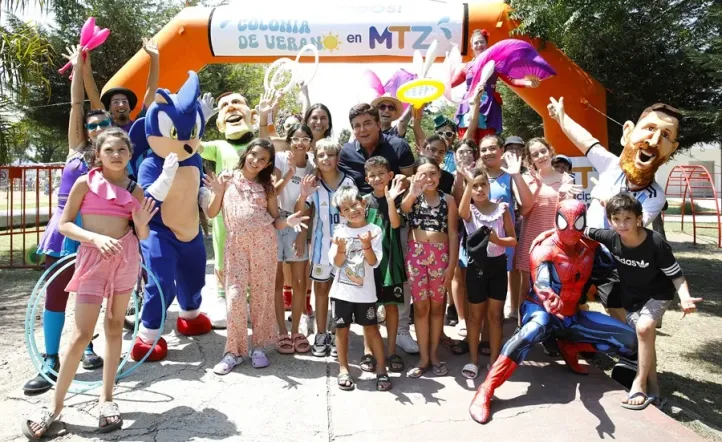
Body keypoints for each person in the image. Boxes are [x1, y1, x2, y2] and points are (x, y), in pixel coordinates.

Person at [21, 128, 157, 438]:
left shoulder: (135, 189)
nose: (116, 155)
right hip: (92, 260)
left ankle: (107, 399)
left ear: (129, 154)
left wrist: (141, 224)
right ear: (98, 154)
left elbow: (143, 235)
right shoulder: (85, 183)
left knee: (114, 327)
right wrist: (94, 238)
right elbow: (65, 224)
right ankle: (55, 407)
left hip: (125, 259)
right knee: (81, 335)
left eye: (122, 150)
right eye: (109, 150)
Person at [469, 200, 638, 424]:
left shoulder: (592, 248)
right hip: (540, 310)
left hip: (571, 316)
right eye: (565, 222)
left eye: (577, 223)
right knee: (533, 329)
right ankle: (487, 388)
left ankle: (571, 346)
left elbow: (619, 258)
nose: (571, 229)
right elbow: (542, 281)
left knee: (630, 340)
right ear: (557, 220)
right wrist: (548, 296)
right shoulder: (545, 248)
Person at [24, 45, 110, 394]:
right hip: (63, 231)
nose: (98, 126)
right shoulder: (77, 148)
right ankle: (50, 359)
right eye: (93, 124)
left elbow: (97, 104)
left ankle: (85, 346)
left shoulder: (113, 155)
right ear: (85, 130)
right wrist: (78, 69)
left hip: (96, 231)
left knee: (89, 296)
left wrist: (88, 72)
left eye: (103, 123)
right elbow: (79, 105)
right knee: (55, 295)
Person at [547, 97, 681, 322]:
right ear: (628, 132)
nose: (654, 140)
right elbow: (585, 141)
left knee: (616, 307)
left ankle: (628, 340)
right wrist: (561, 117)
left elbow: (632, 228)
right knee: (571, 299)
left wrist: (610, 202)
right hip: (581, 249)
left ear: (671, 150)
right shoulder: (611, 165)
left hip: (613, 258)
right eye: (649, 128)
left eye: (665, 135)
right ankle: (578, 333)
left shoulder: (655, 196)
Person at [583, 193, 702, 409]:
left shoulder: (656, 243)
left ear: (639, 219)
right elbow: (579, 229)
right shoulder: (611, 237)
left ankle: (639, 383)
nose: (622, 224)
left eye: (627, 219)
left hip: (659, 295)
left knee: (644, 328)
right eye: (616, 219)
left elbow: (676, 275)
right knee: (644, 337)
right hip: (633, 299)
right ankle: (654, 389)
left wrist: (685, 298)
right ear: (610, 220)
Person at [206, 139, 309, 374]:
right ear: (246, 153)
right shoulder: (227, 178)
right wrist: (218, 192)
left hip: (264, 243)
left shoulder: (267, 186)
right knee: (235, 296)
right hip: (236, 244)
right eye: (254, 155)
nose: (256, 161)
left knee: (262, 296)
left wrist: (288, 221)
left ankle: (259, 347)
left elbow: (275, 220)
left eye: (263, 159)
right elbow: (212, 213)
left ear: (268, 164)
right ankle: (233, 351)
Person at [200, 89, 264, 329]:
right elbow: (191, 144)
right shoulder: (218, 146)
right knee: (222, 254)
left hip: (255, 214)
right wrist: (200, 118)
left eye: (237, 102)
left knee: (253, 257)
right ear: (219, 123)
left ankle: (249, 302)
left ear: (252, 115)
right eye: (224, 105)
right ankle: (222, 298)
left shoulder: (259, 145)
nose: (231, 107)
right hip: (224, 215)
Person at [295, 139, 356, 357]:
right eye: (321, 155)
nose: (326, 159)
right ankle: (320, 334)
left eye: (330, 155)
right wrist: (303, 194)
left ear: (337, 158)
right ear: (316, 159)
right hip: (321, 249)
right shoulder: (313, 184)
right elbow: (300, 211)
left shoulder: (349, 182)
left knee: (343, 293)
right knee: (321, 290)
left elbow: (357, 213)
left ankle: (338, 335)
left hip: (346, 249)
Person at [328, 186, 391, 391]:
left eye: (354, 205)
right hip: (341, 293)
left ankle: (382, 370)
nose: (352, 211)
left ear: (363, 203)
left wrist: (366, 245)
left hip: (366, 294)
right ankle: (343, 369)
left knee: (372, 329)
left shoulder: (374, 230)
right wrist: (340, 250)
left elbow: (373, 262)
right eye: (345, 209)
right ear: (341, 213)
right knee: (341, 330)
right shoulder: (340, 232)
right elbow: (337, 263)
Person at [402, 157, 459, 378]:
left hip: (440, 256)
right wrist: (413, 191)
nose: (429, 178)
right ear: (416, 176)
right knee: (421, 307)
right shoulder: (413, 197)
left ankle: (434, 354)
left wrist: (451, 265)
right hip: (416, 255)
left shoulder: (449, 200)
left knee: (437, 307)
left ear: (440, 175)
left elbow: (453, 234)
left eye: (433, 173)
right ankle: (424, 357)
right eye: (423, 174)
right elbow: (404, 208)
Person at [457, 166, 517, 379]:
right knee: (475, 316)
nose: (479, 189)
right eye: (475, 186)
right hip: (476, 267)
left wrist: (497, 240)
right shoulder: (469, 211)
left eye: (483, 184)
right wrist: (467, 181)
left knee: (495, 315)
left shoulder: (502, 209)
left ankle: (494, 361)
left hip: (498, 266)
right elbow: (461, 213)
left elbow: (513, 239)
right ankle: (473, 360)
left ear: (489, 186)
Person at [513, 138, 578, 317]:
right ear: (530, 159)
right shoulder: (525, 179)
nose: (541, 156)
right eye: (535, 154)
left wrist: (563, 195)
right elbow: (524, 210)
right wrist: (537, 186)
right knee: (527, 288)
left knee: (556, 287)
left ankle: (555, 327)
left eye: (543, 151)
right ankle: (523, 325)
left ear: (550, 151)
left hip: (556, 242)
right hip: (531, 240)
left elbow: (569, 213)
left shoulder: (565, 179)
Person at [451, 29, 539, 146]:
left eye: (482, 42)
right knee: (466, 142)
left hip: (488, 106)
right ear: (471, 46)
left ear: (487, 44)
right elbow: (450, 84)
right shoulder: (466, 67)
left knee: (488, 143)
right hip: (468, 105)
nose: (479, 45)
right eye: (476, 43)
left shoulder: (495, 64)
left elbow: (512, 80)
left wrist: (528, 83)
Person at [272, 124, 316, 354]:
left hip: (299, 221)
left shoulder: (312, 166)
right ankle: (281, 331)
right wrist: (289, 173)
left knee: (299, 281)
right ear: (289, 141)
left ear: (310, 143)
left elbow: (308, 202)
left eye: (305, 139)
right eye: (296, 139)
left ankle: (296, 330)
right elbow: (273, 193)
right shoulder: (280, 158)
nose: (300, 143)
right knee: (277, 280)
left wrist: (302, 234)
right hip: (276, 220)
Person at [361, 157, 407, 373]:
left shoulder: (397, 200)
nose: (377, 178)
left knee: (391, 306)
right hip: (368, 263)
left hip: (391, 262)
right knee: (368, 307)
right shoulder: (363, 202)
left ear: (390, 176)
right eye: (372, 175)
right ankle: (368, 350)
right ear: (367, 179)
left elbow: (395, 224)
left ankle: (392, 350)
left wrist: (390, 201)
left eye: (381, 173)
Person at [339, 103, 415, 194]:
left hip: (396, 201)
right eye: (357, 126)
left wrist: (406, 181)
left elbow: (412, 179)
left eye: (367, 123)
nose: (362, 129)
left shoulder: (399, 146)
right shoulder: (346, 153)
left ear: (378, 125)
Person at [95, 38, 159, 133]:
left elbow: (152, 90)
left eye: (124, 101)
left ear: (130, 108)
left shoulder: (139, 124)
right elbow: (93, 100)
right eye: (116, 102)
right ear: (109, 108)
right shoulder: (105, 129)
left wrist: (155, 57)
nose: (121, 105)